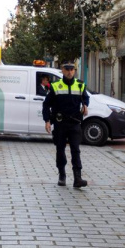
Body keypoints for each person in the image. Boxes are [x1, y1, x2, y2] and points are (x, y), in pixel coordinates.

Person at [42, 60, 89, 188]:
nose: (69, 72)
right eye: (67, 69)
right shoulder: (56, 86)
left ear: (74, 71)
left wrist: (86, 106)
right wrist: (47, 121)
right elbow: (46, 104)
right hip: (60, 123)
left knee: (76, 149)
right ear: (62, 70)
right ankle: (62, 175)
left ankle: (77, 178)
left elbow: (85, 98)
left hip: (74, 123)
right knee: (60, 149)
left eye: (72, 69)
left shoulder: (80, 85)